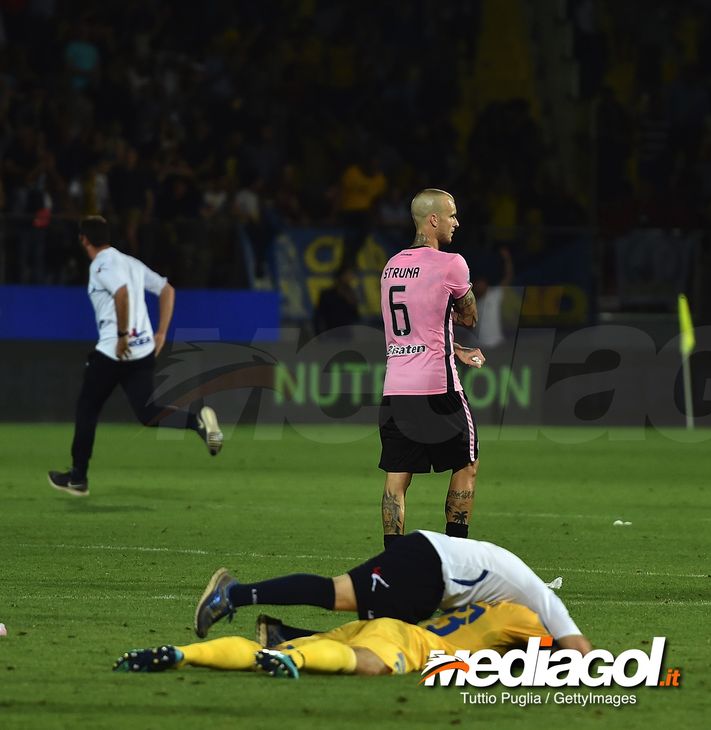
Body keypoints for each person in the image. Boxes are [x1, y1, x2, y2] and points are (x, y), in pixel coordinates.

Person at [193, 529, 592, 655]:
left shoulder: (518, 601)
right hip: (427, 565)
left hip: (431, 577)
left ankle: (285, 637)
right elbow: (576, 645)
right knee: (339, 595)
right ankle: (234, 594)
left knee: (389, 634)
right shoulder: (541, 602)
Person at [47, 216, 223, 497]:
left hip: (114, 352)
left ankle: (78, 477)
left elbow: (122, 294)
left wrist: (121, 336)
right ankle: (197, 422)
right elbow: (167, 289)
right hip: (143, 352)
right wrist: (162, 333)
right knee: (148, 413)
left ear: (83, 239)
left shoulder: (101, 264)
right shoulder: (130, 262)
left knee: (87, 409)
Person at [378, 189, 484, 548]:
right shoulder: (452, 263)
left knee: (397, 479)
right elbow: (469, 317)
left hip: (396, 386)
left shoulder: (391, 266)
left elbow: (407, 332)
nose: (456, 222)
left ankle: (391, 566)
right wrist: (455, 330)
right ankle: (456, 556)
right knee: (467, 464)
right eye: (451, 215)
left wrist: (451, 347)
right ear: (433, 220)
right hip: (438, 386)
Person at [117, 600, 552, 679]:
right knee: (367, 663)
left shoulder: (491, 603)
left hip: (382, 622)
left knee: (265, 652)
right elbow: (558, 655)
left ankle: (182, 653)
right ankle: (298, 664)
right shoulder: (527, 616)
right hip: (408, 642)